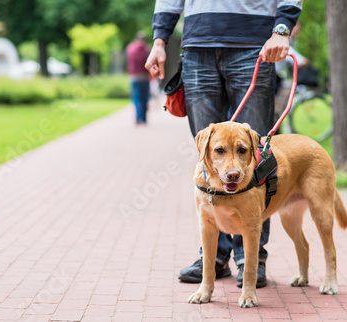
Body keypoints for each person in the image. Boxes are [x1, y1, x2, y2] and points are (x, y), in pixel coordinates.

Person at [145, 0, 302, 288]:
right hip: (197, 48)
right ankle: (214, 257)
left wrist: (282, 28)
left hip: (253, 46)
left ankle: (250, 259)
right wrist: (159, 40)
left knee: (254, 160)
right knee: (211, 155)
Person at [127, 31, 151, 125]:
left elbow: (128, 61)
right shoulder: (147, 49)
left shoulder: (130, 48)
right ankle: (144, 119)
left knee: (136, 99)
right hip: (144, 77)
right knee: (145, 99)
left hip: (134, 77)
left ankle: (138, 119)